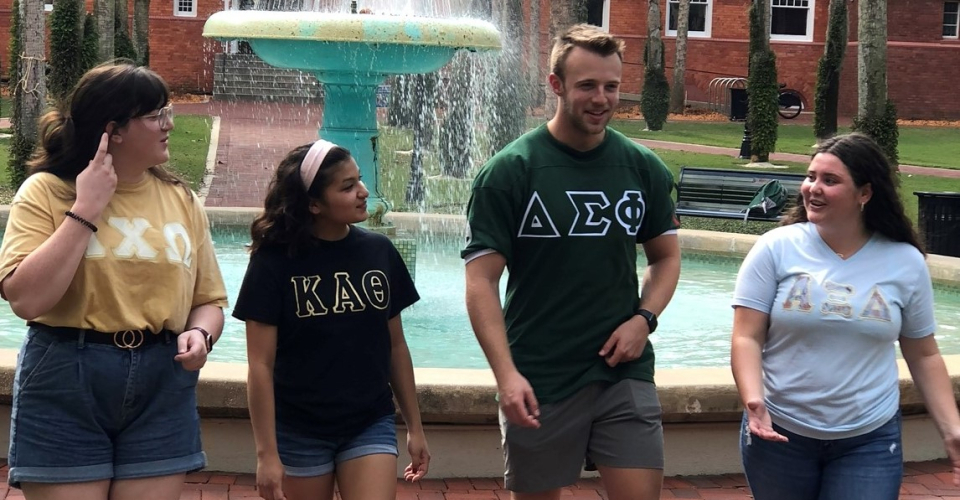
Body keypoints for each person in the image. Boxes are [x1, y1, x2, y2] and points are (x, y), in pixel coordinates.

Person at [462, 23, 682, 500]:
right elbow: (481, 281)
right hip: (541, 372)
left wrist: (644, 320)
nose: (601, 98)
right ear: (556, 85)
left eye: (611, 86)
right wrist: (506, 375)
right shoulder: (509, 173)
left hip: (622, 369)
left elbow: (665, 258)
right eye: (587, 85)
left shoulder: (642, 168)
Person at [0, 62, 228, 499]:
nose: (169, 123)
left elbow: (209, 299)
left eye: (167, 111)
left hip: (163, 380)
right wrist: (86, 207)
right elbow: (26, 300)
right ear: (113, 129)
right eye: (156, 114)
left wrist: (201, 333)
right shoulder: (46, 191)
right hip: (67, 375)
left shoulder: (182, 200)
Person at [731, 132, 960, 500]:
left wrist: (952, 430)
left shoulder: (904, 262)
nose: (813, 188)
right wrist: (753, 399)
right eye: (810, 177)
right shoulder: (776, 247)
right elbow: (747, 335)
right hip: (778, 431)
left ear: (864, 193)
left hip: (868, 438)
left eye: (830, 180)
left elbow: (924, 353)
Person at [232, 139, 430, 500]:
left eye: (360, 180)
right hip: (298, 428)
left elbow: (396, 346)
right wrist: (267, 454)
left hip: (369, 421)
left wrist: (415, 426)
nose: (363, 191)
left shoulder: (379, 251)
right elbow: (260, 365)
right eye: (348, 186)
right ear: (313, 203)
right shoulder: (273, 263)